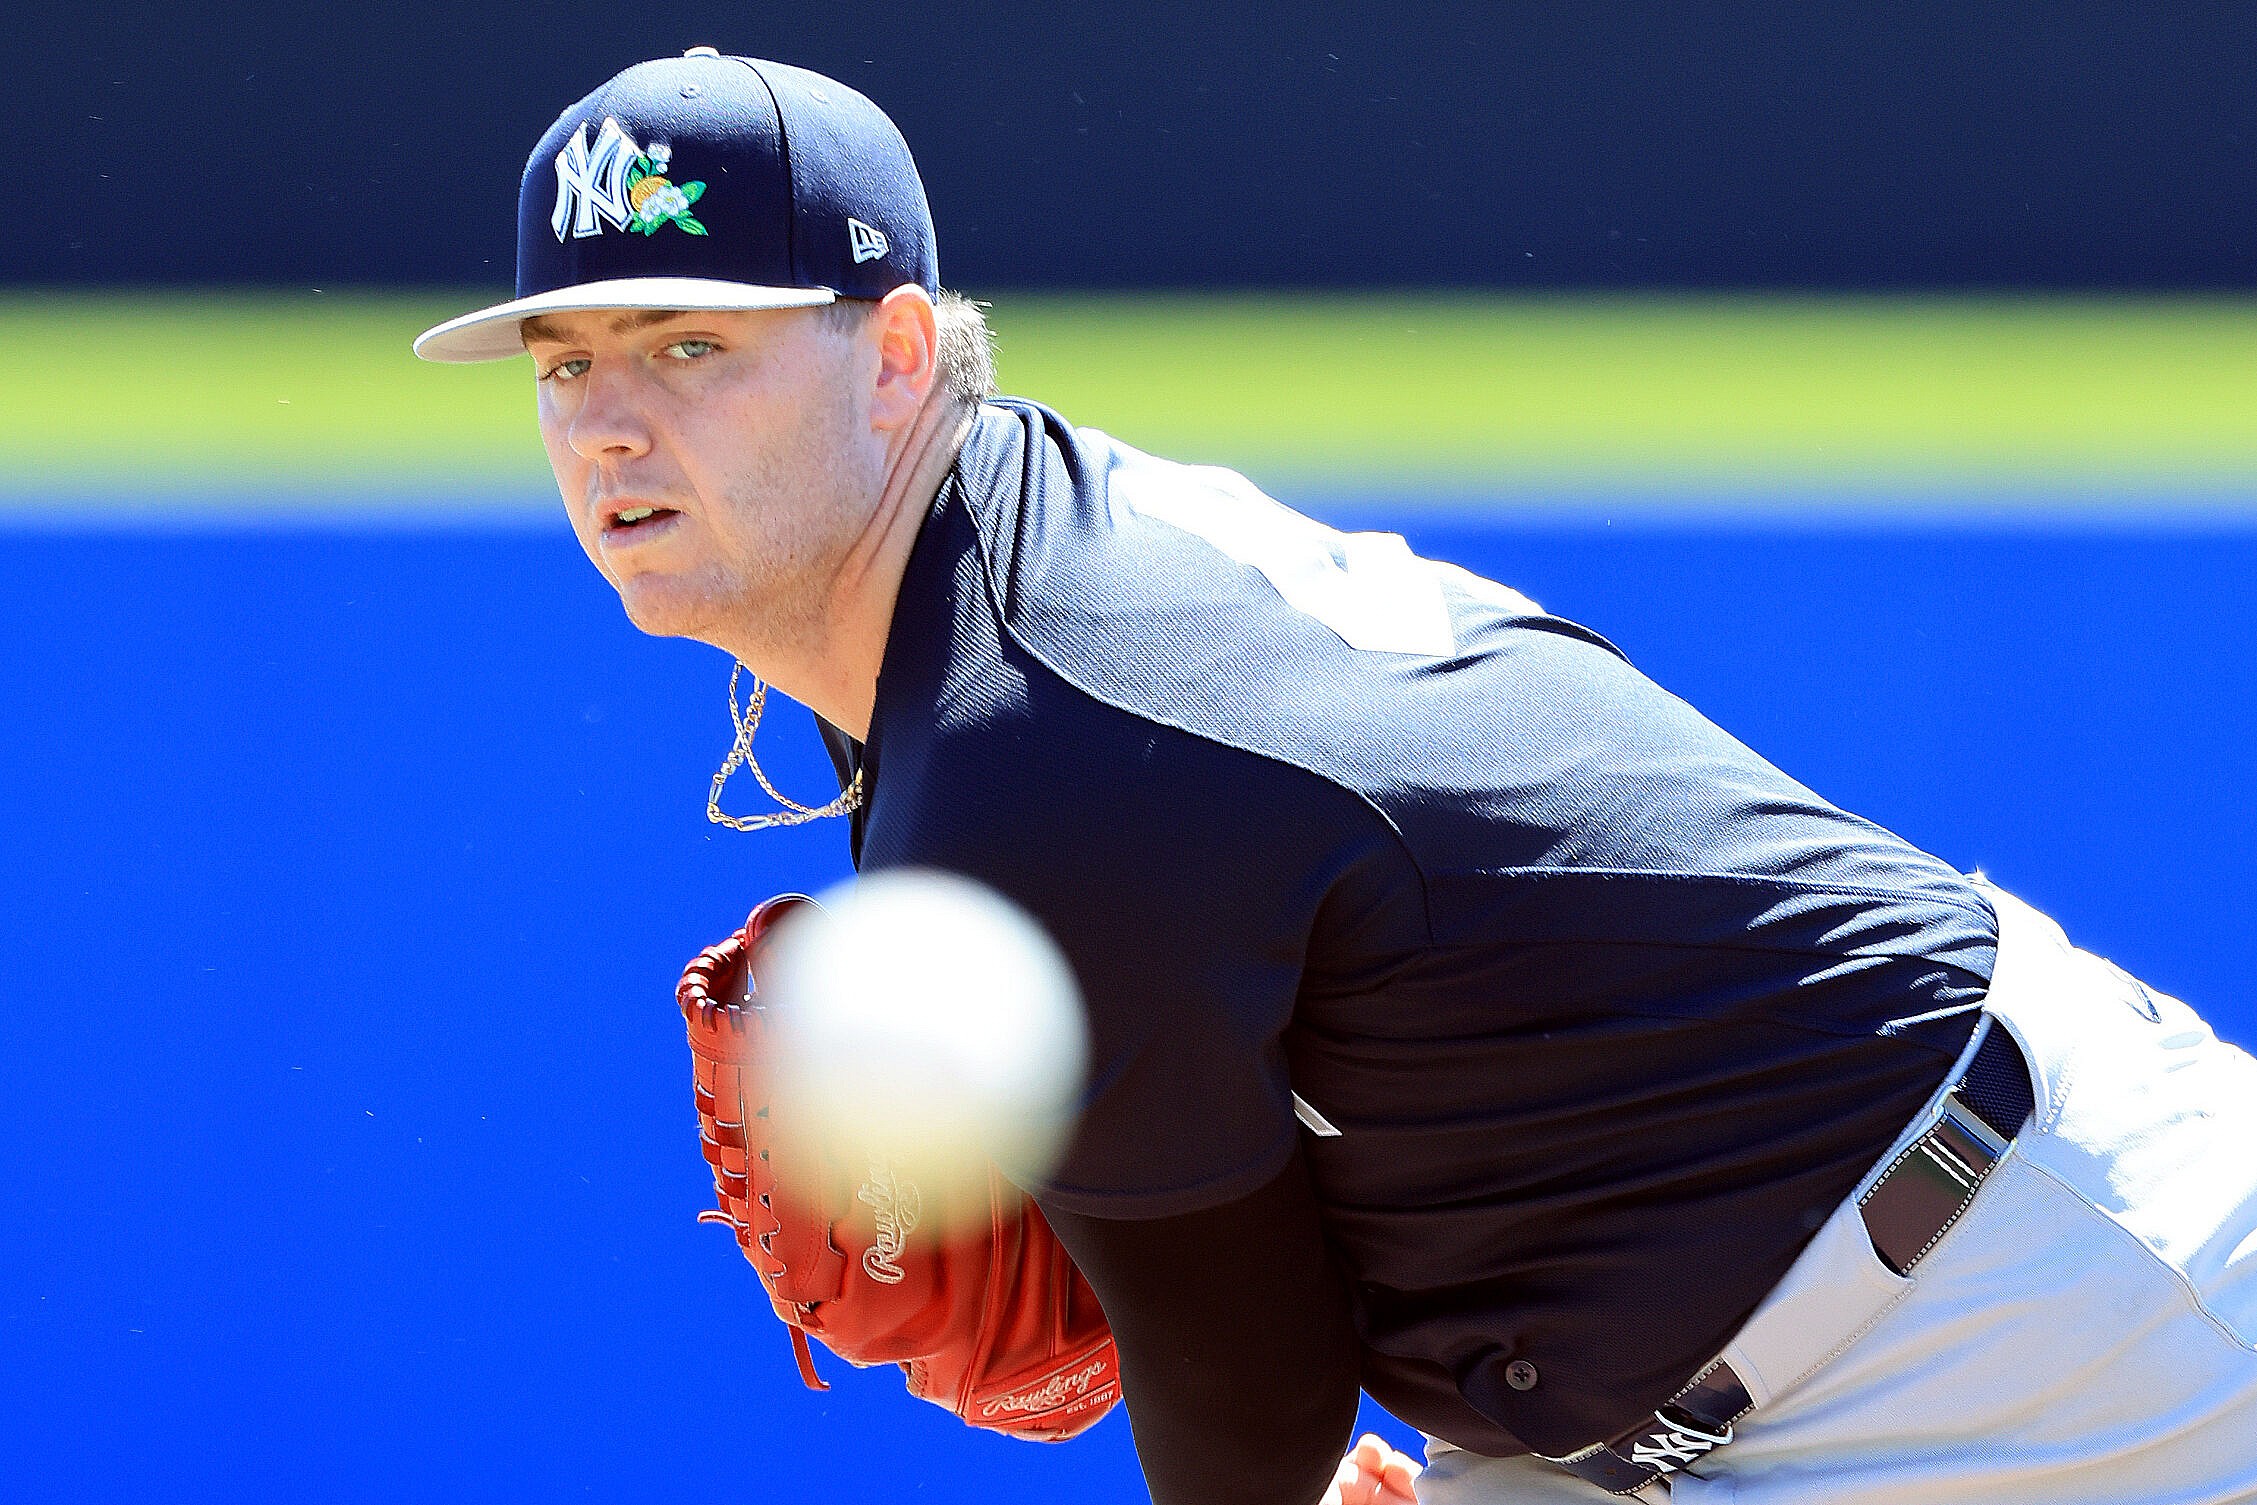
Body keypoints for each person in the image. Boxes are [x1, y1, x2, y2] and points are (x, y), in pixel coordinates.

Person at [415, 50, 2257, 1505]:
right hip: (1771, 1320)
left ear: (897, 355)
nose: (611, 420)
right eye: (566, 360)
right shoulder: (987, 557)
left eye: (691, 346)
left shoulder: (1039, 749)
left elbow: (1254, 1400)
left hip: (2045, 1323)